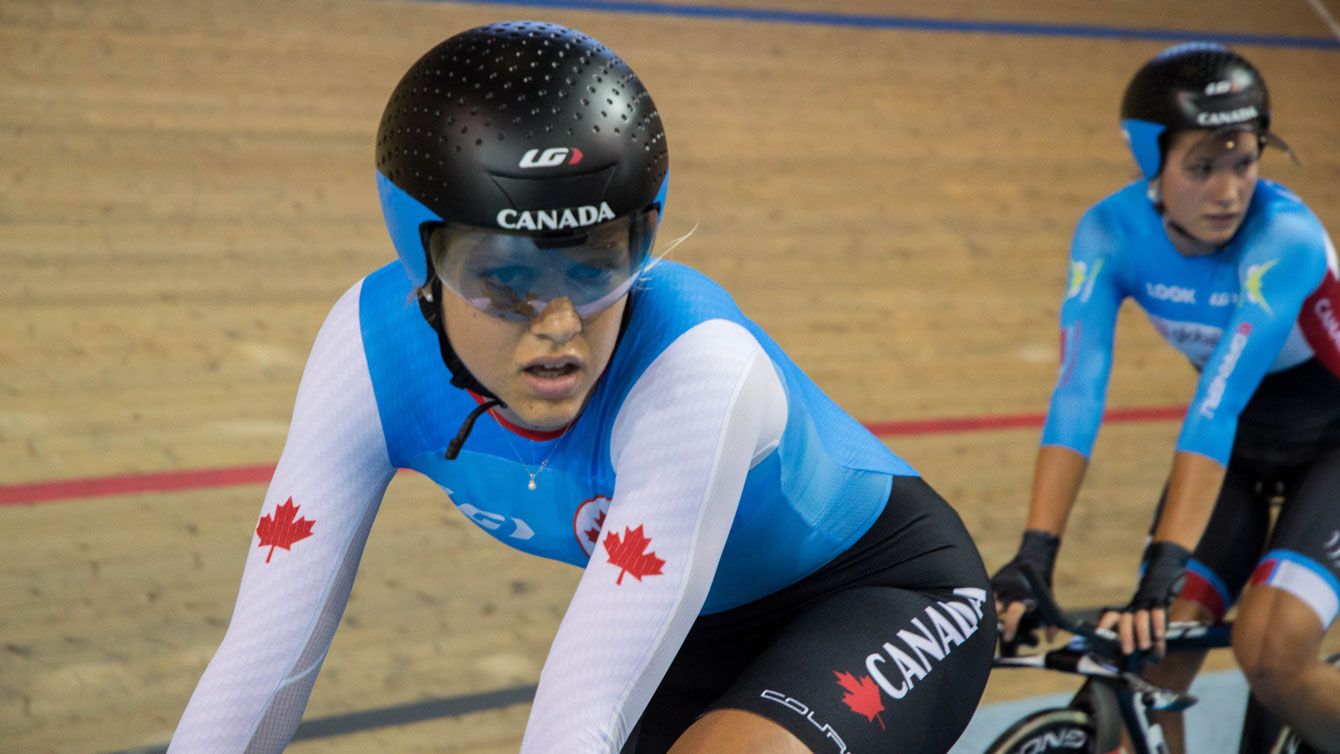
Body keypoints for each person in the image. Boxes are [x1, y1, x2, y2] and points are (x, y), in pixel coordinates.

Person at [166, 20, 995, 754]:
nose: (559, 322)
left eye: (598, 264)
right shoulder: (367, 348)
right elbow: (264, 656)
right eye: (504, 278)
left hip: (880, 593)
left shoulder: (696, 369)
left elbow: (579, 710)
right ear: (420, 262)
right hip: (692, 629)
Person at [991, 42, 1340, 754]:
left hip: (1329, 446)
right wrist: (1035, 552)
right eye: (1202, 166)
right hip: (1245, 448)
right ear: (1153, 163)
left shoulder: (1286, 240)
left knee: (1271, 652)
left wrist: (1162, 565)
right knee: (1153, 659)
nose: (1229, 191)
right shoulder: (1109, 233)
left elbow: (1215, 405)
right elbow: (1078, 393)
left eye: (1244, 161)